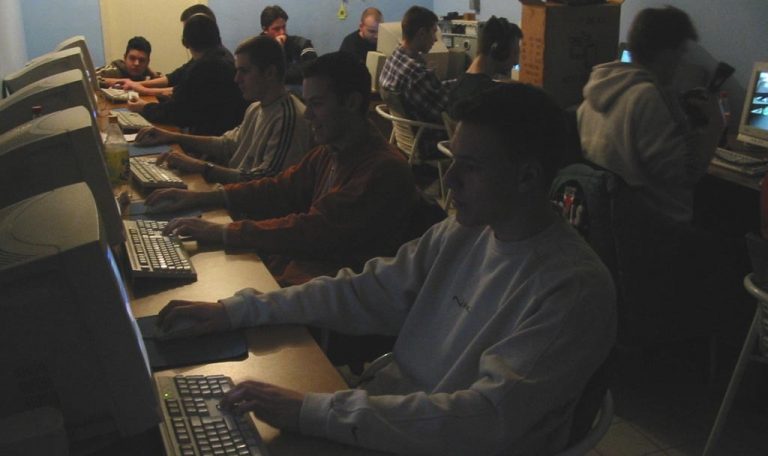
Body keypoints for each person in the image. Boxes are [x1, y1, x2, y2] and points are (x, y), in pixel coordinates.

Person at [155, 84, 617, 455]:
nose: (450, 179)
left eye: (471, 167)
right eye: (452, 159)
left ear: (528, 177)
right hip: (389, 417)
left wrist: (312, 412)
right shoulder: (464, 231)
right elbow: (362, 290)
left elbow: (483, 421)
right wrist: (235, 311)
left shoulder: (571, 289)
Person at [143, 51, 431, 288]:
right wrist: (200, 198)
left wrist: (223, 231)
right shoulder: (330, 151)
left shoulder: (382, 170)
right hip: (306, 276)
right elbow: (278, 188)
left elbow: (310, 230)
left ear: (352, 103)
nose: (308, 114)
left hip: (330, 294)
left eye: (317, 104)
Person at [577, 6, 724, 223]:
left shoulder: (598, 89)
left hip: (607, 220)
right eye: (681, 52)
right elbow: (684, 174)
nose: (682, 61)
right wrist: (715, 125)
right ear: (666, 53)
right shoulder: (648, 97)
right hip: (653, 227)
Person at [134, 35, 311, 184]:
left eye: (244, 71)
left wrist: (199, 167)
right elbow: (226, 144)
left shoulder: (288, 118)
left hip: (247, 209)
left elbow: (264, 182)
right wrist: (173, 136)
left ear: (270, 73)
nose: (236, 79)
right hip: (233, 194)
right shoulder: (256, 108)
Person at [127, 14, 248, 136]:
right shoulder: (222, 57)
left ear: (185, 42)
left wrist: (144, 107)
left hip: (211, 139)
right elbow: (177, 82)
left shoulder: (203, 67)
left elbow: (177, 112)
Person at [114, 4, 218, 98]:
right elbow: (172, 78)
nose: (185, 37)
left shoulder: (212, 64)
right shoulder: (202, 58)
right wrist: (135, 84)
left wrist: (143, 92)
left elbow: (182, 92)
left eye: (188, 31)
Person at [379, 6, 453, 124]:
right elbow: (445, 110)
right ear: (422, 33)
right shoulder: (415, 72)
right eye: (434, 32)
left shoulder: (394, 58)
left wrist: (459, 83)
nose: (435, 39)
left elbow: (432, 90)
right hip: (430, 133)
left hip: (409, 131)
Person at [447, 16, 522, 118]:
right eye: (515, 53)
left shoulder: (458, 86)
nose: (516, 62)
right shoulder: (491, 95)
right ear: (497, 49)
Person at [260, 5, 317, 86]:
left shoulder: (301, 44)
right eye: (276, 29)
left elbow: (313, 68)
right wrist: (278, 51)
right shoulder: (256, 50)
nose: (282, 32)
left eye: (284, 27)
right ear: (265, 30)